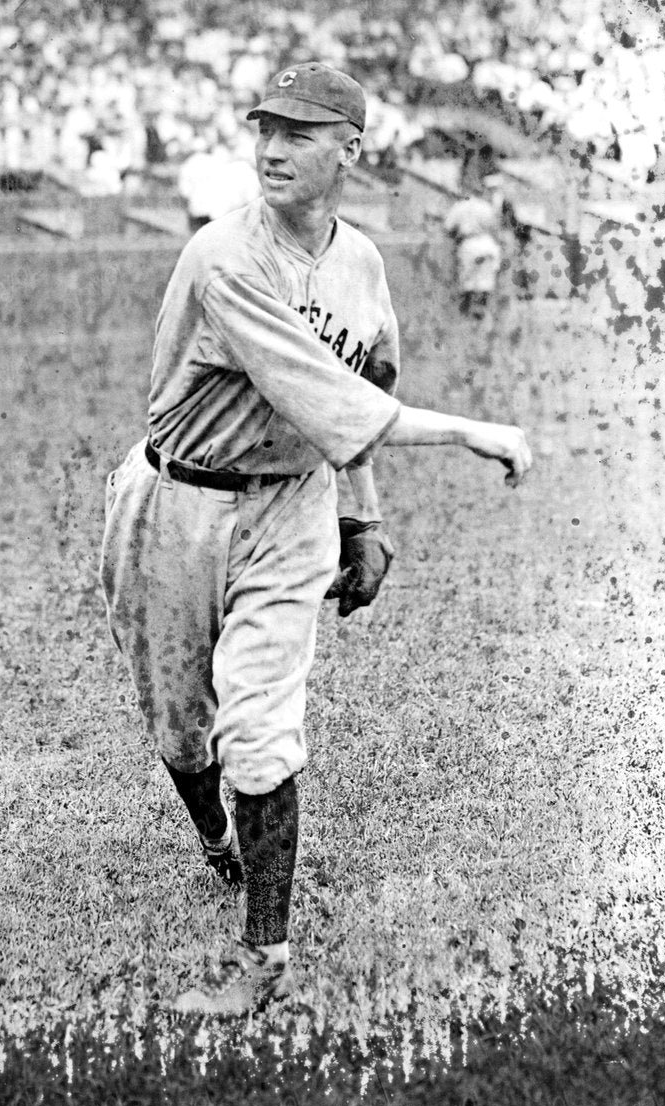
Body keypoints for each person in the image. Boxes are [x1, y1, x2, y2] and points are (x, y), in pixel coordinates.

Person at [98, 63, 533, 1016]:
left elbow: (361, 392)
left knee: (259, 730)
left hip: (290, 501)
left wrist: (362, 513)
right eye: (265, 129)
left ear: (351, 150)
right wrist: (469, 430)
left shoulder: (361, 263)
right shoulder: (223, 257)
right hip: (178, 500)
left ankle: (264, 955)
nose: (272, 149)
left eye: (299, 134)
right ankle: (215, 836)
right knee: (181, 728)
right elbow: (334, 402)